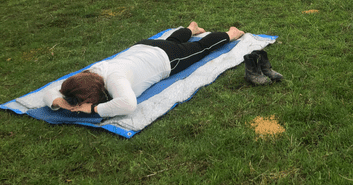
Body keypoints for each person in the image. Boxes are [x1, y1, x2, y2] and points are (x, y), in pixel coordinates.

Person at [43, 22, 244, 117]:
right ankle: (191, 29)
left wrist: (95, 108)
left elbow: (129, 105)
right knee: (172, 38)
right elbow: (51, 91)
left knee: (200, 48)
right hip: (144, 46)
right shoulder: (92, 72)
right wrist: (62, 102)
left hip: (167, 58)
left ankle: (230, 33)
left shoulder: (114, 81)